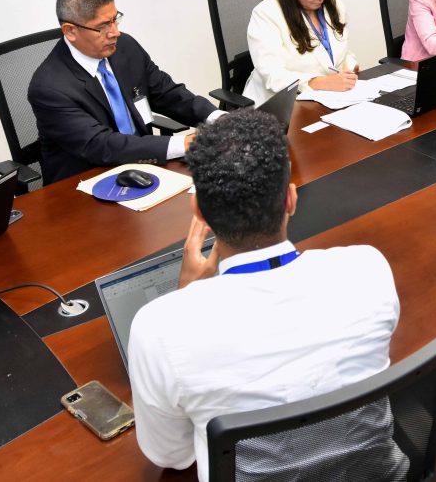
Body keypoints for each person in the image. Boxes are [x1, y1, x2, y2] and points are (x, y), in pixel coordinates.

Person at [128, 109, 405, 482]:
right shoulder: (367, 268)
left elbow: (172, 456)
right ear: (291, 199)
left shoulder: (159, 328)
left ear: (199, 212)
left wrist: (188, 296)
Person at [28, 0, 224, 185]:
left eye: (115, 19)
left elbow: (166, 92)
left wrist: (219, 119)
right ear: (70, 31)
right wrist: (185, 144)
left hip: (145, 168)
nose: (115, 32)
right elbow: (101, 145)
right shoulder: (49, 88)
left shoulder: (125, 47)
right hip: (87, 183)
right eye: (102, 26)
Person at [243, 0, 359, 104]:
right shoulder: (266, 14)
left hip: (326, 98)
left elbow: (339, 54)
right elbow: (273, 76)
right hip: (279, 104)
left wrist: (351, 67)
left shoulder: (333, 5)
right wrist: (320, 82)